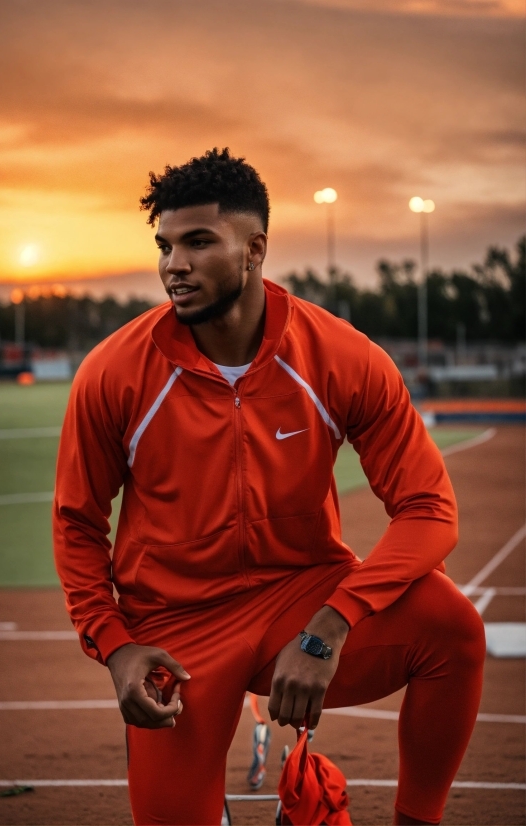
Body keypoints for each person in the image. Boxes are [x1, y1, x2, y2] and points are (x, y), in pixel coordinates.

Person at [53, 148, 485, 826]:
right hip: (174, 625)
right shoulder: (114, 372)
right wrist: (115, 644)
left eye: (199, 242)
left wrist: (330, 626)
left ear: (254, 249)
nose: (174, 265)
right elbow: (77, 523)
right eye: (165, 245)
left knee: (452, 627)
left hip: (300, 594)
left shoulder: (340, 357)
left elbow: (430, 511)